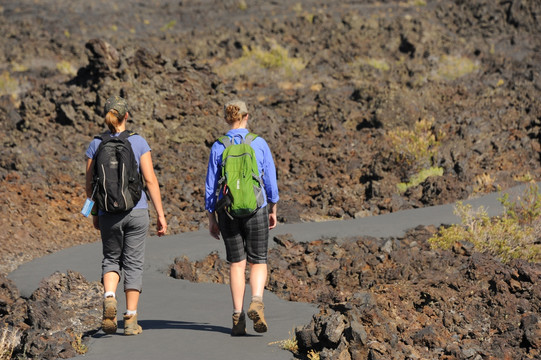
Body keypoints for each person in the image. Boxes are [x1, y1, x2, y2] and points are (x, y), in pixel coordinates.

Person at [85, 95, 167, 336]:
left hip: (108, 211)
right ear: (126, 116)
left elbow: (89, 186)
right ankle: (130, 320)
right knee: (133, 263)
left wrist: (96, 213)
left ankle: (109, 297)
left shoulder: (96, 144)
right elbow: (150, 181)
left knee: (111, 258)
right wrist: (161, 214)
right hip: (137, 210)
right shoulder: (138, 142)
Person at [205, 99, 279, 336]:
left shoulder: (218, 146)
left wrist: (211, 217)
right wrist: (273, 207)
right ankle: (256, 300)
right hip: (257, 208)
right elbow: (270, 180)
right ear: (246, 116)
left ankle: (237, 317)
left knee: (237, 263)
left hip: (228, 211)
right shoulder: (258, 143)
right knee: (258, 259)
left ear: (227, 119)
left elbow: (210, 187)